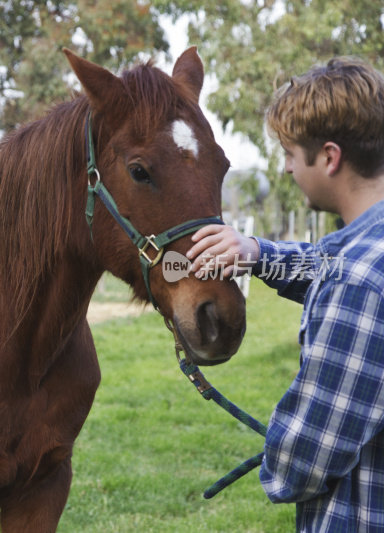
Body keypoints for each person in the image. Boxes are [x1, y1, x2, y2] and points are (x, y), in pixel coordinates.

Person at [187, 57, 384, 531]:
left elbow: (309, 455)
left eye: (291, 154)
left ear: (330, 158)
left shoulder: (357, 280)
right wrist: (254, 251)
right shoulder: (365, 249)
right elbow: (325, 264)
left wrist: (279, 459)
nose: (288, 167)